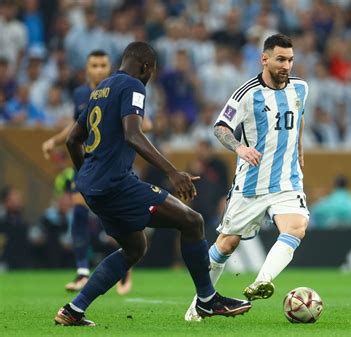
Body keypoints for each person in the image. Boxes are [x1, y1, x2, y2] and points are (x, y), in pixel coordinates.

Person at [54, 41, 251, 327]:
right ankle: (208, 300)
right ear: (146, 67)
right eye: (151, 72)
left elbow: (73, 139)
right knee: (192, 221)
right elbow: (133, 134)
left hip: (93, 187)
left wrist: (87, 175)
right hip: (116, 184)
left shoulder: (100, 90)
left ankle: (73, 310)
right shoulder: (133, 86)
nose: (149, 78)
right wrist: (173, 172)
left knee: (135, 247)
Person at [185, 33, 309, 321]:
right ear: (264, 59)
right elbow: (220, 127)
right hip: (251, 183)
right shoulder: (246, 93)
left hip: (287, 181)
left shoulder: (301, 89)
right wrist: (239, 147)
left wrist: (300, 152)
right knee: (226, 244)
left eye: (290, 59)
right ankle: (200, 303)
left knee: (296, 227)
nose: (286, 65)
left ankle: (261, 280)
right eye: (280, 59)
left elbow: (299, 118)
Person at [41, 50, 136, 294]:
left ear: (109, 67)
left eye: (103, 64)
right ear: (86, 69)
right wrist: (54, 140)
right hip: (89, 164)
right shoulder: (81, 94)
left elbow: (143, 123)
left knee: (114, 219)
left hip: (114, 165)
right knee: (79, 208)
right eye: (93, 64)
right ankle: (83, 271)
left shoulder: (119, 89)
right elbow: (77, 128)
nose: (98, 69)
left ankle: (125, 266)